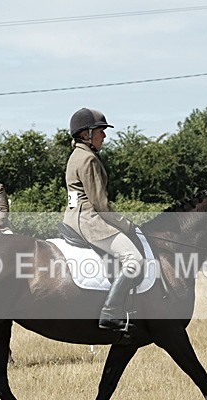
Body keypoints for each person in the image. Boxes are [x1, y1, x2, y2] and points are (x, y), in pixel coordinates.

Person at [63, 108, 144, 332]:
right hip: (89, 221)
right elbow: (101, 205)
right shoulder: (88, 160)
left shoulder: (75, 156)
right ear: (86, 134)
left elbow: (72, 197)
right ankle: (110, 312)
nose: (104, 136)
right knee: (133, 259)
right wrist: (127, 224)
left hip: (73, 217)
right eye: (101, 131)